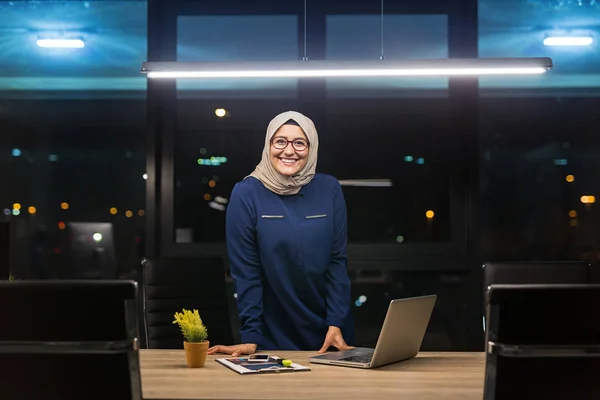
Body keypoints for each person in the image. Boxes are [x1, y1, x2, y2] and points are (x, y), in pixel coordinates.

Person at [207, 110, 354, 357]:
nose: (289, 150)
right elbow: (247, 272)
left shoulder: (329, 189)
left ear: (312, 147)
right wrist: (251, 335)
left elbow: (337, 262)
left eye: (299, 142)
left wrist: (336, 321)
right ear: (268, 144)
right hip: (273, 330)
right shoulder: (246, 194)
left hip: (330, 330)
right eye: (280, 141)